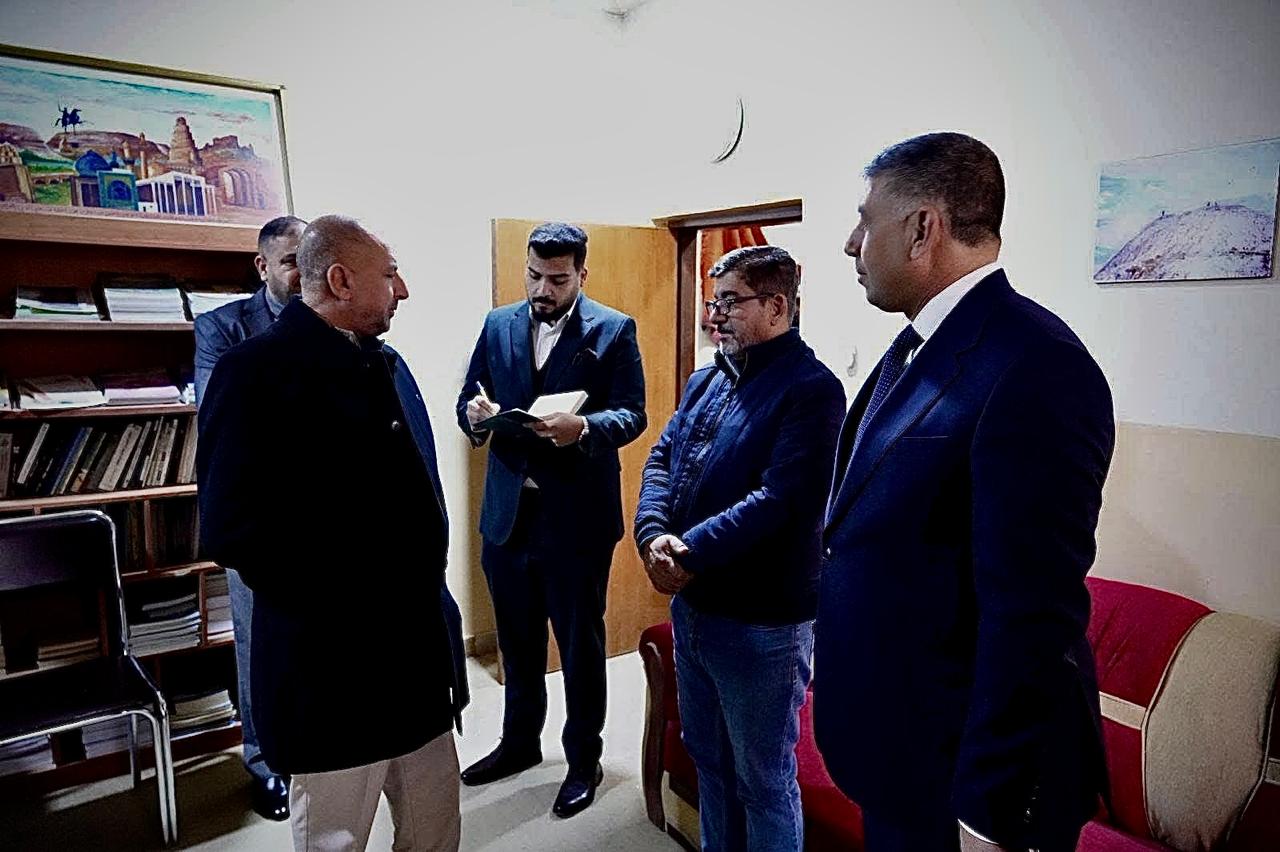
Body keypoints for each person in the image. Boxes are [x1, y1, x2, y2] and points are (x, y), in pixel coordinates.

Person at [817, 132, 1115, 852]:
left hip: (960, 781)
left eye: (865, 221)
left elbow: (1032, 615)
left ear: (923, 229)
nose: (850, 243)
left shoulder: (1037, 364)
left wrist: (990, 813)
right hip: (899, 751)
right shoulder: (919, 344)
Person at [198, 215, 469, 851]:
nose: (403, 290)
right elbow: (231, 529)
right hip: (332, 670)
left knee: (434, 829)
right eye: (390, 275)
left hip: (415, 660)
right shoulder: (252, 371)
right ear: (341, 281)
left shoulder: (381, 362)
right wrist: (359, 583)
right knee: (337, 837)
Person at [634, 246, 845, 850]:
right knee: (708, 762)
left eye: (730, 302)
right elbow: (662, 457)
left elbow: (780, 500)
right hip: (695, 610)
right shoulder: (708, 378)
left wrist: (687, 552)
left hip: (761, 625)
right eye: (714, 301)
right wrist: (653, 533)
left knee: (764, 782)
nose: (715, 316)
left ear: (777, 306)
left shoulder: (812, 391)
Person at [456, 222, 646, 818]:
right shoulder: (498, 324)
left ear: (581, 274)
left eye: (558, 279)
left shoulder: (613, 329)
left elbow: (633, 413)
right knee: (516, 642)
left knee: (580, 646)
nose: (543, 289)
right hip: (507, 516)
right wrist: (474, 416)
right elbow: (469, 398)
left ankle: (584, 760)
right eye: (534, 275)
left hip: (577, 518)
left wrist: (585, 427)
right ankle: (519, 744)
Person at [193, 214, 305, 822]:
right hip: (261, 517)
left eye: (309, 260)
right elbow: (225, 417)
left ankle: (308, 746)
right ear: (262, 267)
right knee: (257, 639)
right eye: (290, 261)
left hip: (325, 516)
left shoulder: (332, 320)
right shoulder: (223, 328)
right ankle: (264, 763)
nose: (302, 273)